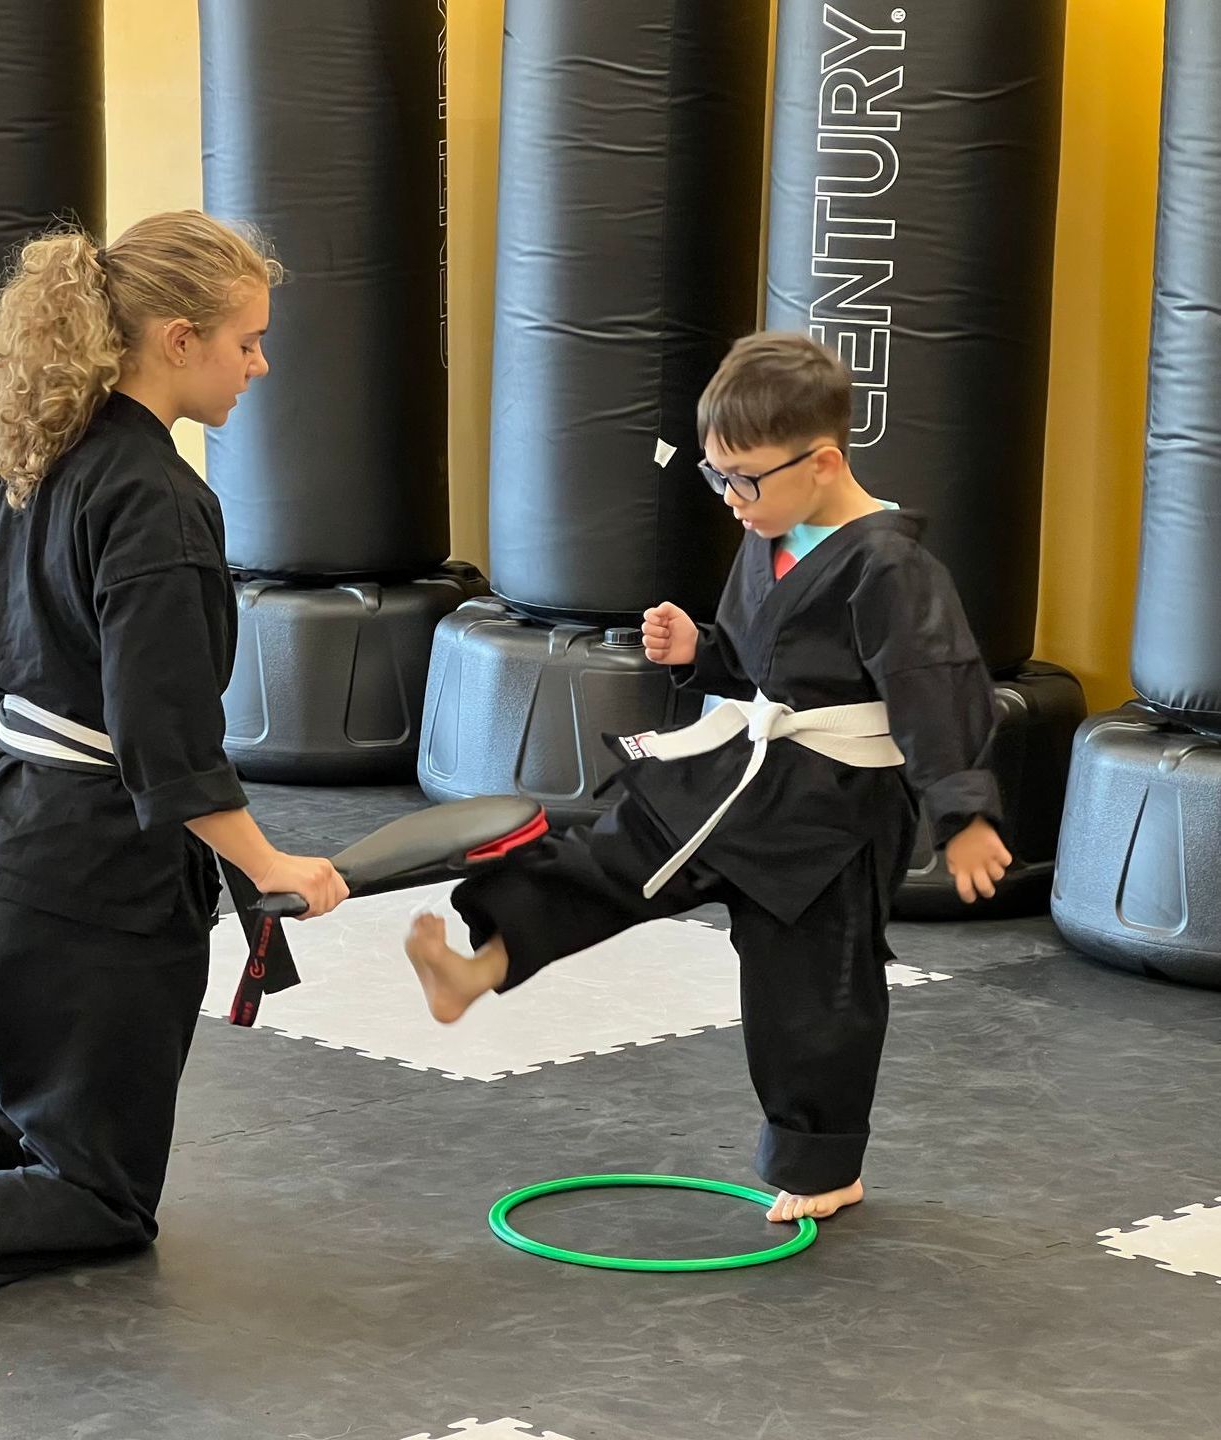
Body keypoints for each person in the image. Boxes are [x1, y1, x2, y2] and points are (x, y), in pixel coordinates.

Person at [0, 210, 348, 1307]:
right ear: (178, 341)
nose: (260, 364)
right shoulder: (161, 501)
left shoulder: (46, 462)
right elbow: (163, 742)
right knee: (100, 1192)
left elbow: (11, 666)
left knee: (25, 1113)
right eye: (246, 340)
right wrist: (269, 861)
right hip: (90, 881)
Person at [405, 331, 1011, 1224]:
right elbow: (771, 664)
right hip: (749, 769)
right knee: (621, 850)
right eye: (717, 476)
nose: (730, 500)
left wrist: (964, 813)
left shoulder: (890, 566)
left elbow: (936, 686)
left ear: (824, 462)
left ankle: (824, 1162)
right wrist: (704, 652)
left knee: (808, 989)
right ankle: (481, 964)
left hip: (832, 813)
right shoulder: (774, 533)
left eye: (747, 479)